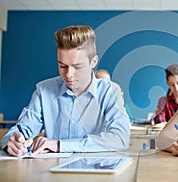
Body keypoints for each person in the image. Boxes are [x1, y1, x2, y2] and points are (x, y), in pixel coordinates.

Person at [1, 25, 131, 157]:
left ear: (93, 62)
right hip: (52, 172)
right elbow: (21, 130)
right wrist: (12, 142)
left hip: (96, 172)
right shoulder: (44, 90)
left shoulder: (110, 91)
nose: (69, 74)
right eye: (62, 66)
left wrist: (59, 145)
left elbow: (120, 138)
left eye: (77, 66)